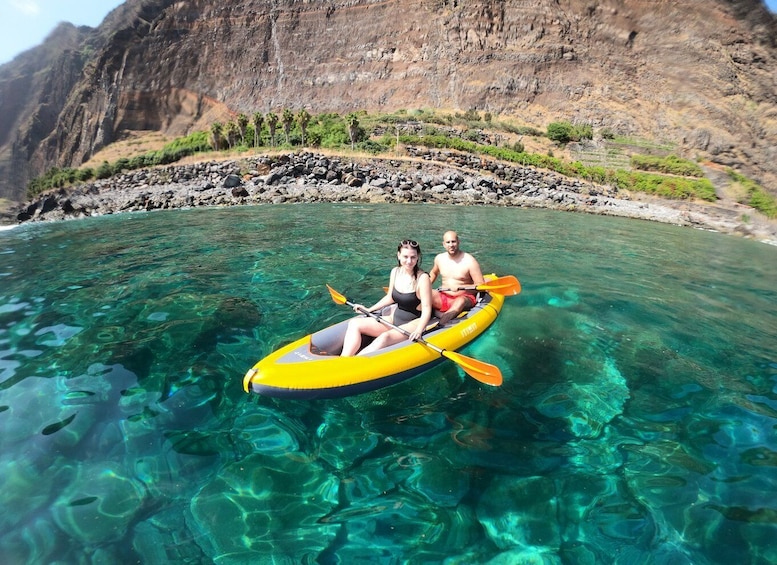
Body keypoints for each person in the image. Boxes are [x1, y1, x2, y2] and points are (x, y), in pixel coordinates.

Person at [341, 239, 433, 356]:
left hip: (414, 321)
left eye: (413, 257)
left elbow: (427, 308)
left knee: (384, 337)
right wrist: (369, 309)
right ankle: (343, 359)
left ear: (418, 257)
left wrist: (419, 330)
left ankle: (354, 363)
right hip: (395, 317)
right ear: (398, 255)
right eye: (405, 257)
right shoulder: (395, 272)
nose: (409, 261)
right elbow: (390, 297)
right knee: (355, 323)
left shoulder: (423, 278)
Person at [429, 230, 485, 325]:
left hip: (465, 298)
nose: (451, 245)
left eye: (453, 241)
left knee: (460, 301)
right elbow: (434, 273)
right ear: (444, 244)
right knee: (423, 293)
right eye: (448, 242)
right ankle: (435, 314)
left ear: (458, 242)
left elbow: (481, 285)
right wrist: (425, 285)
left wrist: (460, 288)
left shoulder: (469, 261)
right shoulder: (439, 259)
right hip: (444, 296)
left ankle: (440, 325)